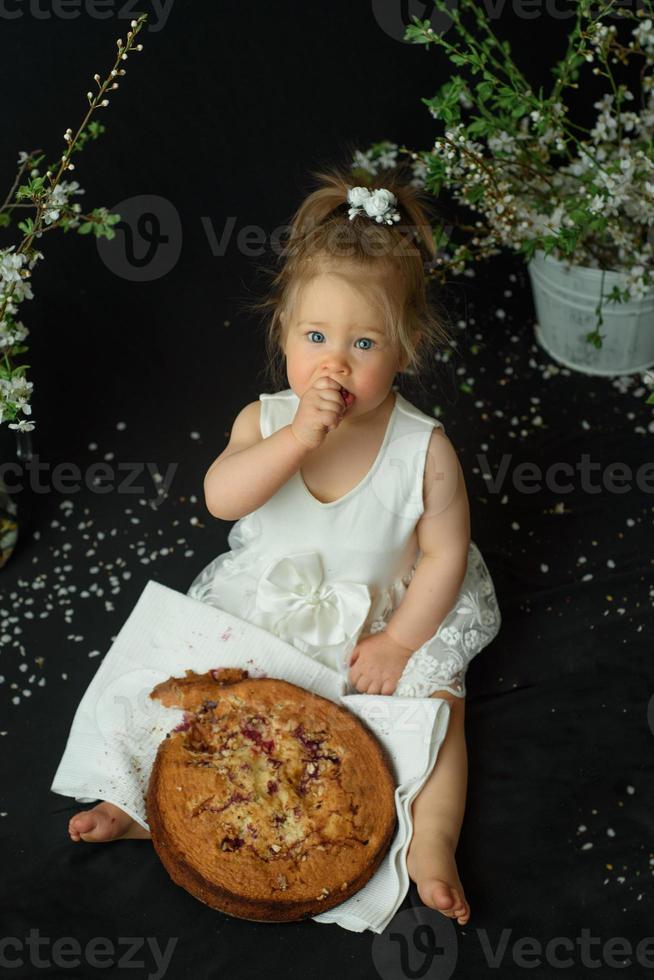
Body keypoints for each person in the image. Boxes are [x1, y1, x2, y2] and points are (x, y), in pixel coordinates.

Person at [68, 164, 501, 927]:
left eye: (364, 342)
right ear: (284, 334)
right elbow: (220, 496)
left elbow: (446, 557)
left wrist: (400, 643)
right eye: (315, 336)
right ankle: (140, 803)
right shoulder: (265, 421)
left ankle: (430, 842)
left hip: (380, 618)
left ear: (404, 351)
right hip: (268, 600)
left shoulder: (423, 450)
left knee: (440, 711)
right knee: (174, 686)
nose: (335, 361)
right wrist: (298, 438)